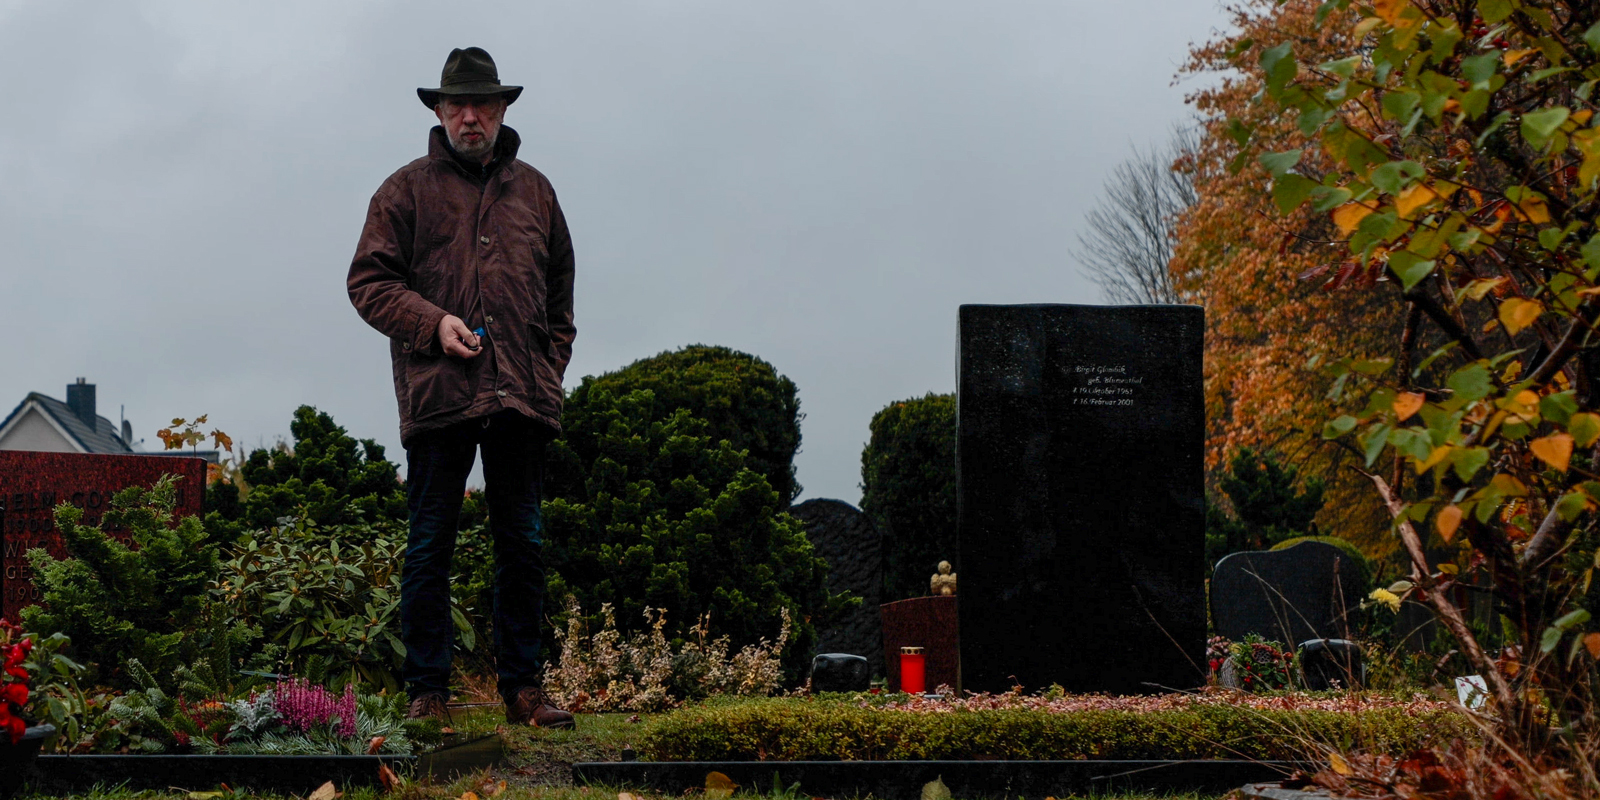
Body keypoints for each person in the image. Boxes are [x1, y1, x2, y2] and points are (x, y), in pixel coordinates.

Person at [347, 46, 576, 729]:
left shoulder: (537, 192)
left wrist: (547, 367)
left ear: (503, 109)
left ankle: (524, 692)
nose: (469, 116)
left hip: (521, 400)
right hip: (439, 398)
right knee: (429, 546)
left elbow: (561, 300)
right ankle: (428, 693)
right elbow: (368, 283)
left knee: (523, 545)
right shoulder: (403, 191)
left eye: (482, 104)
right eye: (457, 105)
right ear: (439, 111)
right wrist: (433, 323)